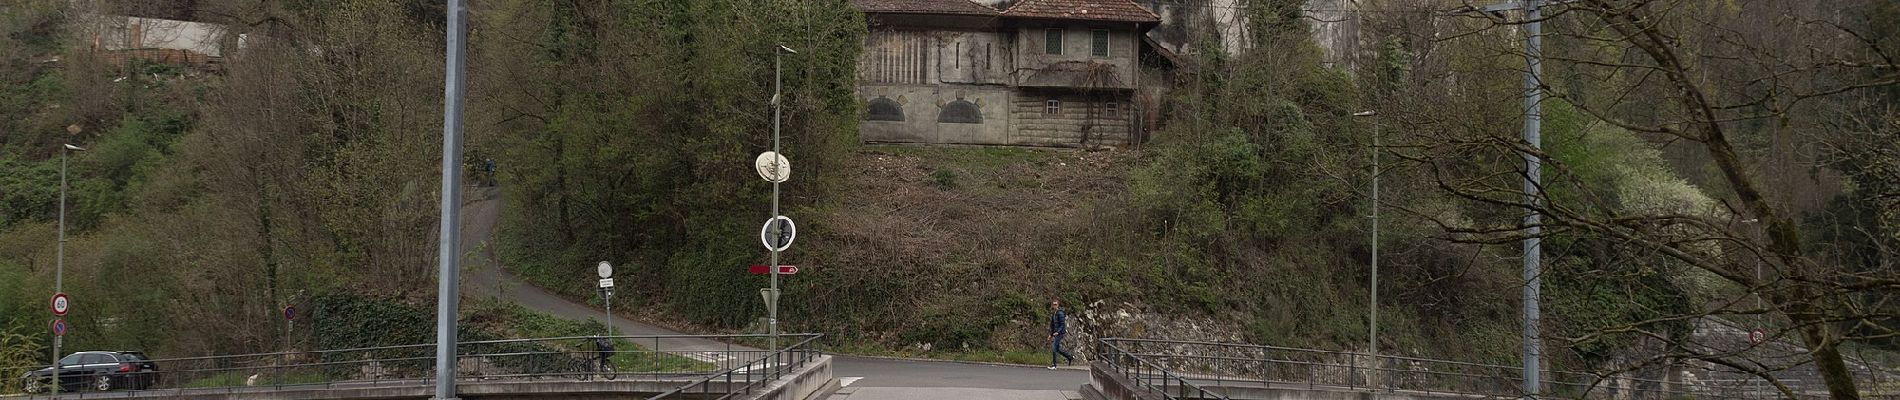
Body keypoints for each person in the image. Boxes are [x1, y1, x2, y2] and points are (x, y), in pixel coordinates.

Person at [1049, 300, 1074, 369]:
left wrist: (1058, 332)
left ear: (1058, 305)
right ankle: (1070, 357)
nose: (1054, 306)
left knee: (1054, 347)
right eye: (1053, 304)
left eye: (1056, 304)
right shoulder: (1054, 314)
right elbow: (1052, 325)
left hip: (1060, 333)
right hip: (1056, 333)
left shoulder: (1060, 313)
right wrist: (1050, 334)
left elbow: (1062, 324)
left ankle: (1054, 365)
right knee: (1057, 349)